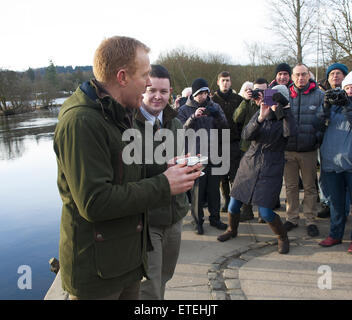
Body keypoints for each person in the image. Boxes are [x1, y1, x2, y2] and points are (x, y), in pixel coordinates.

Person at [53, 36, 201, 300]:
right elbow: (94, 202)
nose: (148, 83)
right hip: (97, 275)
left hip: (126, 263)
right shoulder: (81, 122)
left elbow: (130, 168)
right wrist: (165, 184)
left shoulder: (118, 113)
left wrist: (167, 167)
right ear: (122, 77)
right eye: (144, 75)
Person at [217, 85, 297, 255]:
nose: (270, 102)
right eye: (270, 97)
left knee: (266, 212)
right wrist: (260, 117)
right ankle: (232, 229)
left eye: (275, 99)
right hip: (249, 165)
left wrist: (285, 110)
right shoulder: (262, 113)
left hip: (271, 168)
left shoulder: (286, 118)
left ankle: (282, 237)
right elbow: (246, 135)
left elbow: (291, 134)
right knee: (233, 204)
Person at [135, 65, 189, 300]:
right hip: (148, 221)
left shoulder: (176, 124)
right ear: (142, 91)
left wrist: (189, 168)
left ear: (171, 93)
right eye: (152, 90)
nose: (158, 96)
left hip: (174, 217)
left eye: (164, 91)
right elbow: (128, 175)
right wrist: (166, 170)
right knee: (149, 287)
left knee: (165, 277)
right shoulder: (129, 125)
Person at [177, 78, 228, 235]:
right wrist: (194, 117)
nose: (204, 96)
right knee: (197, 191)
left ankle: (215, 218)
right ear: (194, 94)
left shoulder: (215, 106)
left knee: (214, 190)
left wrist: (217, 116)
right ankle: (197, 221)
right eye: (200, 93)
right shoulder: (185, 109)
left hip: (213, 154)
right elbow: (180, 130)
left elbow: (225, 126)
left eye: (206, 93)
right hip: (194, 155)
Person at [283, 63, 325, 237]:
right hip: (288, 150)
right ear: (292, 77)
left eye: (304, 74)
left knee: (309, 187)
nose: (300, 78)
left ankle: (310, 219)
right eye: (297, 75)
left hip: (308, 150)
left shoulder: (320, 95)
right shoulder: (285, 94)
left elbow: (324, 122)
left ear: (309, 75)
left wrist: (317, 138)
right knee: (291, 186)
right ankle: (292, 218)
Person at [318, 71, 352, 253]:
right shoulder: (334, 106)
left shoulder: (346, 106)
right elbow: (318, 122)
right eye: (347, 87)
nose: (349, 90)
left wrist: (348, 106)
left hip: (350, 163)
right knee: (336, 203)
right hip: (332, 162)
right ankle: (335, 234)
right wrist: (325, 105)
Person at [233, 78, 269, 222]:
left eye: (262, 90)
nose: (259, 93)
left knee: (263, 182)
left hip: (265, 147)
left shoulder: (271, 101)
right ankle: (247, 211)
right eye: (256, 90)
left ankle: (263, 213)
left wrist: (268, 100)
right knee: (246, 181)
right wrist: (245, 101)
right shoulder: (247, 103)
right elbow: (236, 118)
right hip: (247, 147)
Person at [317, 63, 349, 218]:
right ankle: (327, 204)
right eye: (331, 74)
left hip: (347, 154)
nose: (335, 76)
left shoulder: (348, 96)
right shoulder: (324, 95)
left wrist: (346, 103)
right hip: (327, 149)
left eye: (338, 73)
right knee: (326, 181)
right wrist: (325, 106)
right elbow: (317, 122)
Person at [212, 71, 243, 212]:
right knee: (222, 175)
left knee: (235, 175)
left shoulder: (238, 99)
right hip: (218, 142)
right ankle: (227, 200)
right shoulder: (212, 101)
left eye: (228, 80)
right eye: (223, 80)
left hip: (235, 141)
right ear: (218, 82)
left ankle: (235, 201)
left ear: (231, 82)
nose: (225, 83)